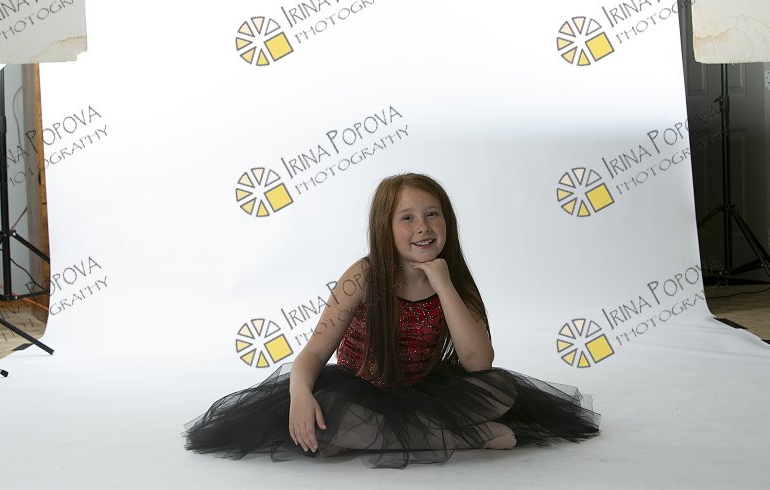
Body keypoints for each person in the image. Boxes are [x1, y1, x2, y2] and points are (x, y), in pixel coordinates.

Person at [183, 172, 601, 468]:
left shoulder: (455, 280)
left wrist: (442, 282)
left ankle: (366, 441)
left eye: (433, 214)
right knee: (326, 416)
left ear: (448, 222)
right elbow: (313, 353)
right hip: (359, 392)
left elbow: (478, 363)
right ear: (385, 228)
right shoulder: (363, 277)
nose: (423, 227)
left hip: (424, 391)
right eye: (407, 218)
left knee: (501, 389)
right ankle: (461, 436)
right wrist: (299, 394)